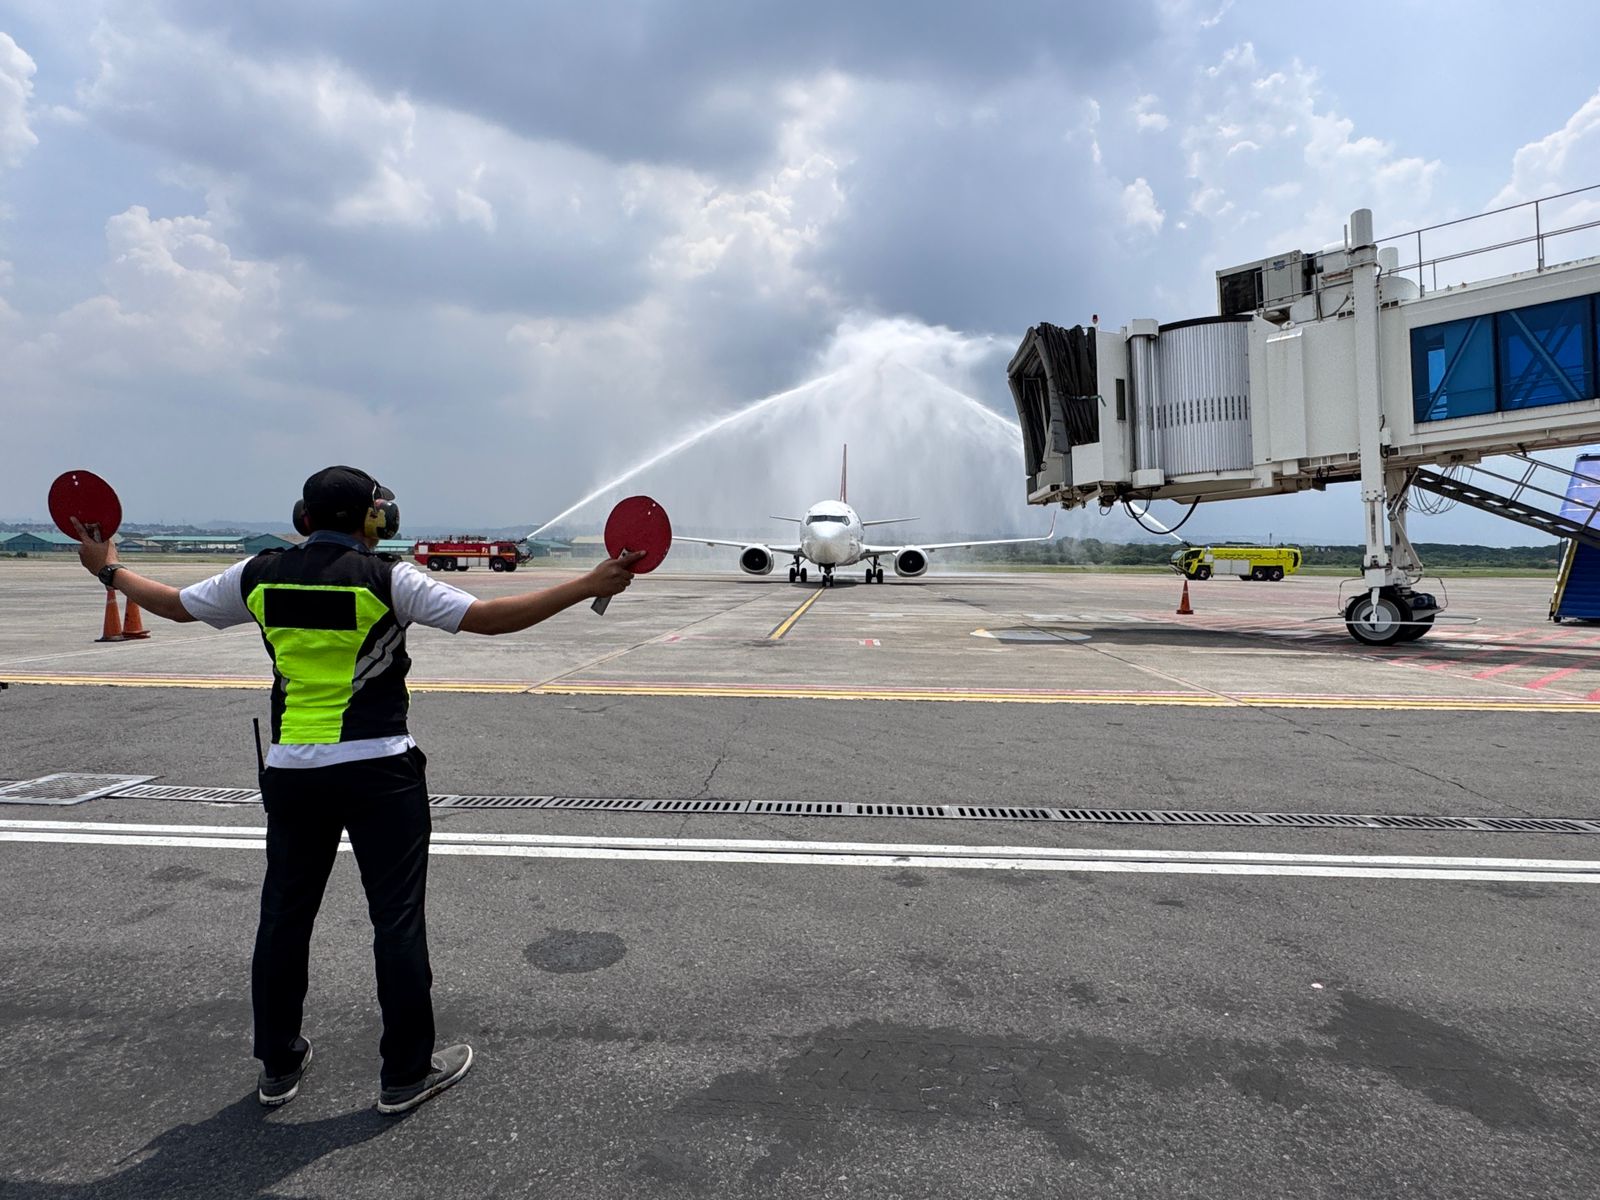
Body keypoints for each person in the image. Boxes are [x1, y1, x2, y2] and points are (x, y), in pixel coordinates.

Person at [74, 466, 642, 1114]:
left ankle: (278, 1065)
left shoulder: (260, 574)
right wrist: (589, 584)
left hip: (292, 772)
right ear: (374, 518)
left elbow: (174, 605)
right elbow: (488, 620)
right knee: (394, 921)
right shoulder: (387, 579)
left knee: (284, 920)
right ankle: (404, 1073)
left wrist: (108, 570)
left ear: (304, 517)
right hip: (378, 771)